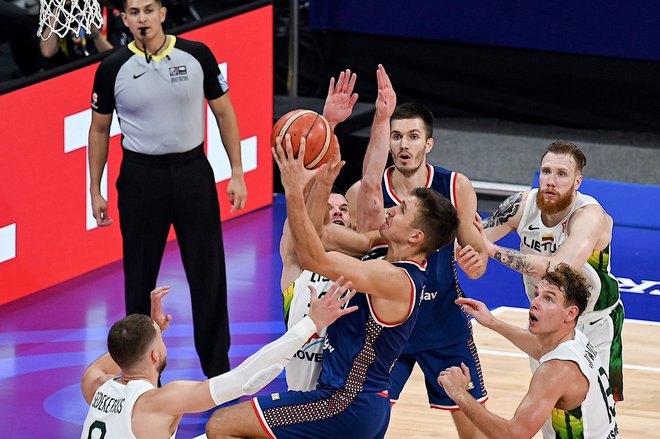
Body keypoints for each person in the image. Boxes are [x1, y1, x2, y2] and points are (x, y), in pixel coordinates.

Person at [205, 134, 459, 438]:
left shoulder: (395, 278)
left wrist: (292, 191)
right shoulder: (381, 249)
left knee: (221, 425)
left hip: (344, 402)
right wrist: (324, 182)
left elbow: (314, 257)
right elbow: (321, 236)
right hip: (362, 406)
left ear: (416, 237)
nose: (392, 210)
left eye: (402, 211)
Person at [88, 0, 247, 379]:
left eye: (148, 10)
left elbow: (224, 112)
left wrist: (237, 170)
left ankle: (217, 372)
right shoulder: (111, 68)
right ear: (124, 19)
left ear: (162, 13)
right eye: (134, 12)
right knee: (139, 279)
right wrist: (95, 190)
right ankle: (141, 374)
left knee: (208, 274)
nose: (142, 18)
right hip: (142, 178)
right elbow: (98, 130)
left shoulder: (197, 56)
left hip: (193, 172)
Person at [344, 66, 489, 438]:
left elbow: (477, 253)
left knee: (474, 428)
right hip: (387, 327)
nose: (403, 145)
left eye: (413, 136)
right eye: (396, 136)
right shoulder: (366, 194)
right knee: (364, 425)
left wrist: (476, 263)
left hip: (443, 324)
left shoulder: (455, 186)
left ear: (429, 143)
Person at [81, 282, 358, 439]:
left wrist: (150, 329)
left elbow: (113, 356)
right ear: (155, 355)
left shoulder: (96, 386)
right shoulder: (160, 402)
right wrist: (311, 324)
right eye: (161, 340)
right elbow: (243, 380)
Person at [478, 140, 624, 404]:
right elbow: (475, 241)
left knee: (591, 407)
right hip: (546, 320)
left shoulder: (590, 215)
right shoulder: (521, 204)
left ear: (577, 182)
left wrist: (491, 251)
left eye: (561, 174)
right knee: (548, 406)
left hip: (594, 323)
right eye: (546, 172)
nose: (551, 181)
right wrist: (471, 253)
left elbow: (559, 269)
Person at [438, 263, 619, 438]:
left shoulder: (557, 371)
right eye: (536, 294)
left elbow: (512, 435)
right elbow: (539, 348)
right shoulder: (576, 339)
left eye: (548, 298)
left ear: (571, 313)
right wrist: (493, 323)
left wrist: (459, 392)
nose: (534, 303)